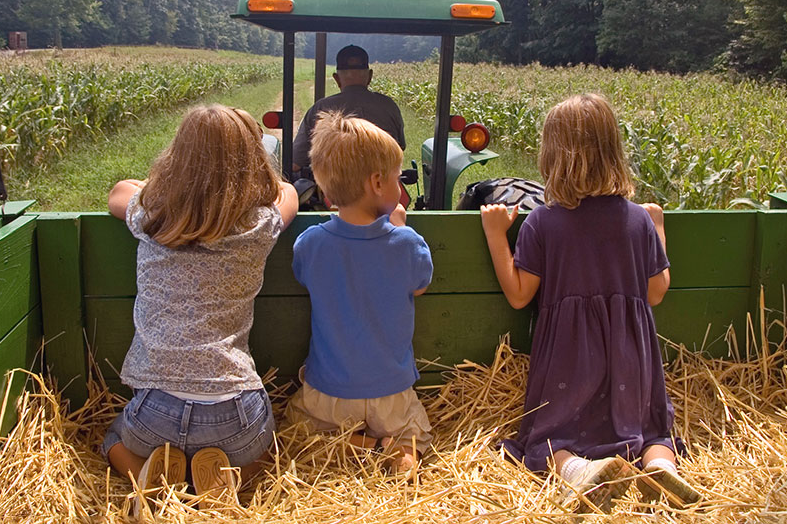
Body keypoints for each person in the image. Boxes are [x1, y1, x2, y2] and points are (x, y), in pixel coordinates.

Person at [478, 94, 702, 512]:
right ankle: (660, 467)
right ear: (613, 152)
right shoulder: (637, 219)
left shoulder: (543, 222)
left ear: (551, 157)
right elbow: (656, 291)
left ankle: (576, 470)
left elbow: (519, 293)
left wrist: (495, 235)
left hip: (568, 358)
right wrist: (658, 228)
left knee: (550, 433)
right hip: (630, 356)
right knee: (651, 430)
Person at [101, 105, 299, 504]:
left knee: (111, 439)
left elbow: (118, 191)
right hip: (235, 414)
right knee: (269, 451)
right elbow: (288, 193)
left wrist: (173, 188)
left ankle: (146, 474)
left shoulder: (153, 215)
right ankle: (228, 479)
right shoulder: (259, 225)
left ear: (177, 158)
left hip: (154, 413)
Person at [286, 111, 434, 473]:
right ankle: (400, 452)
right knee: (414, 433)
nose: (400, 187)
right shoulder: (407, 243)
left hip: (330, 392)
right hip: (391, 393)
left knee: (296, 428)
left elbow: (306, 276)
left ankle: (361, 446)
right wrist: (399, 228)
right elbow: (421, 286)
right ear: (377, 183)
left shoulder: (311, 244)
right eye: (398, 179)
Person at [292, 45, 405, 174]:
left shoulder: (320, 108)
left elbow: (296, 162)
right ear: (370, 76)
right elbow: (400, 147)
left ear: (337, 78)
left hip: (334, 188)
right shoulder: (389, 106)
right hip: (382, 185)